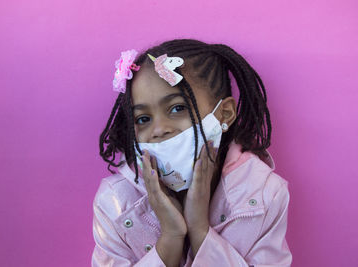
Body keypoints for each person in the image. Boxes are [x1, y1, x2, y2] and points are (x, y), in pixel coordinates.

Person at [92, 39, 292, 266]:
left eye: (177, 108)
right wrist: (170, 238)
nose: (158, 130)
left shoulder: (265, 194)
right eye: (143, 119)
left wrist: (200, 231)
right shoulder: (114, 202)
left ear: (224, 114)